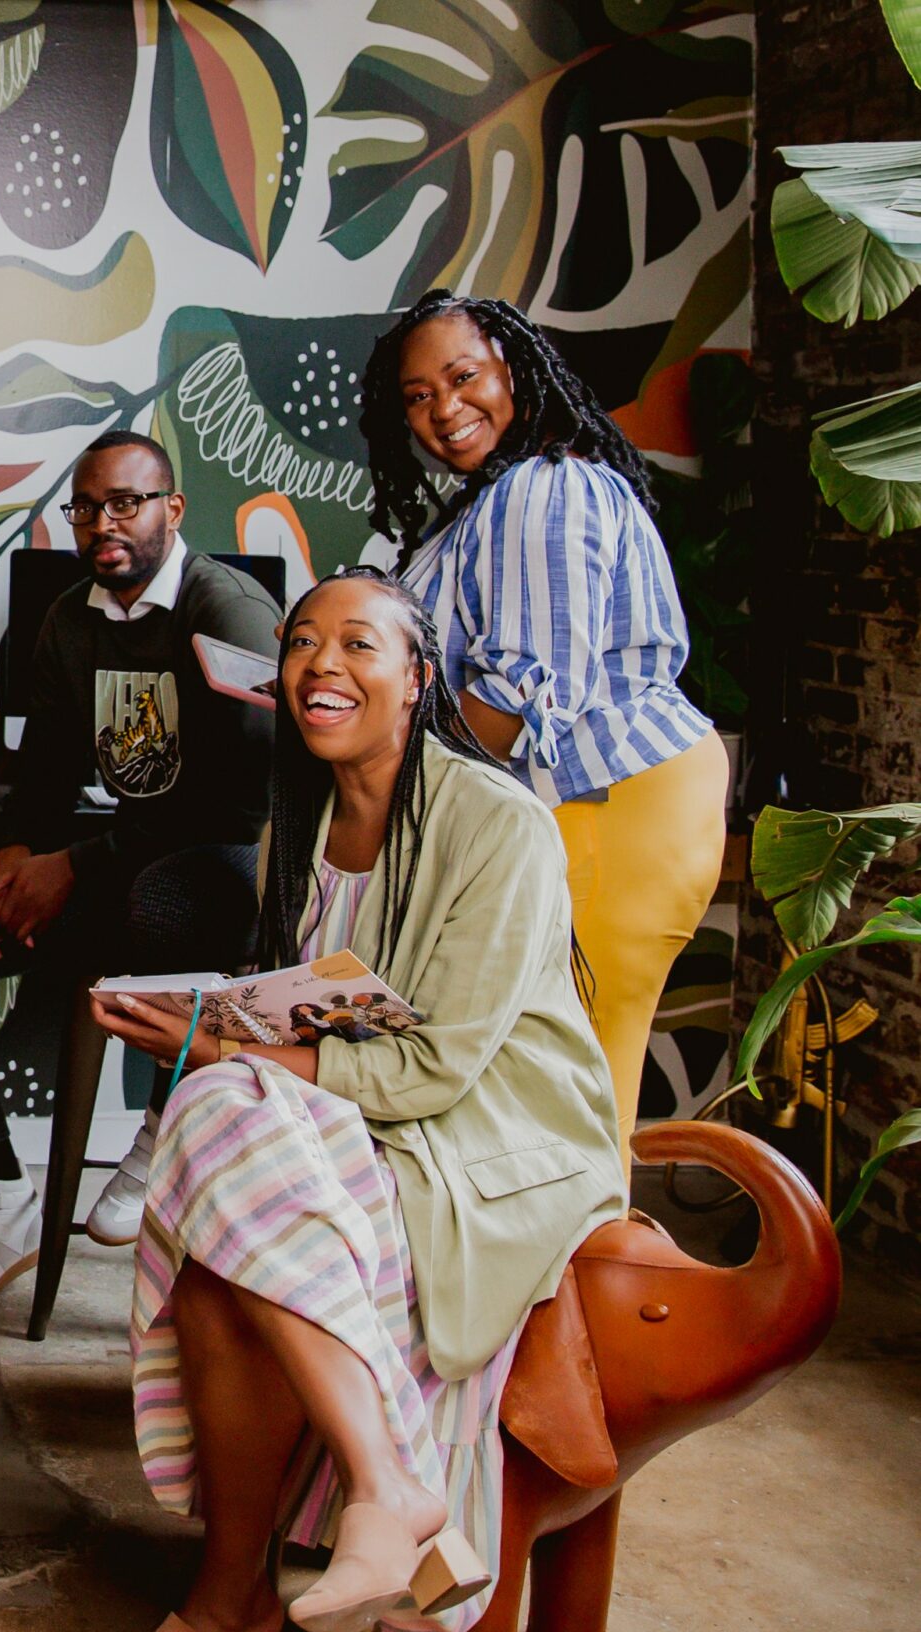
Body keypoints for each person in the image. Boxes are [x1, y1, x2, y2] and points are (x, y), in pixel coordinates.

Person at [75, 569, 624, 1632]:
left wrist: (222, 1054)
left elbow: (440, 1065)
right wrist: (207, 1023)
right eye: (302, 643)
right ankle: (370, 1503)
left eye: (360, 644)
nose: (322, 663)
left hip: (488, 1132)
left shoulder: (501, 823)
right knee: (223, 1162)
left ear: (418, 678)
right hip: (347, 1111)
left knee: (221, 1122)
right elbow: (311, 1005)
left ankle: (239, 1600)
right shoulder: (304, 818)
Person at [0, 431, 281, 1314]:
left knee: (162, 900)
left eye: (126, 503)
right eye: (86, 508)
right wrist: (19, 854)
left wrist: (76, 865)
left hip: (224, 868)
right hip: (119, 864)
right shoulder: (68, 617)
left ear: (172, 509)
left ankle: (164, 1130)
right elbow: (49, 772)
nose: (104, 524)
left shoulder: (227, 609)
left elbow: (239, 792)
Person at [363, 289, 728, 1158]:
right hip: (591, 801)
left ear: (515, 372)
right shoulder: (494, 498)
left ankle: (595, 1249)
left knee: (571, 1094)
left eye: (464, 377)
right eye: (418, 395)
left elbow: (519, 693)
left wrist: (382, 765)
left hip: (603, 801)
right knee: (557, 1088)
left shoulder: (540, 487)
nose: (445, 409)